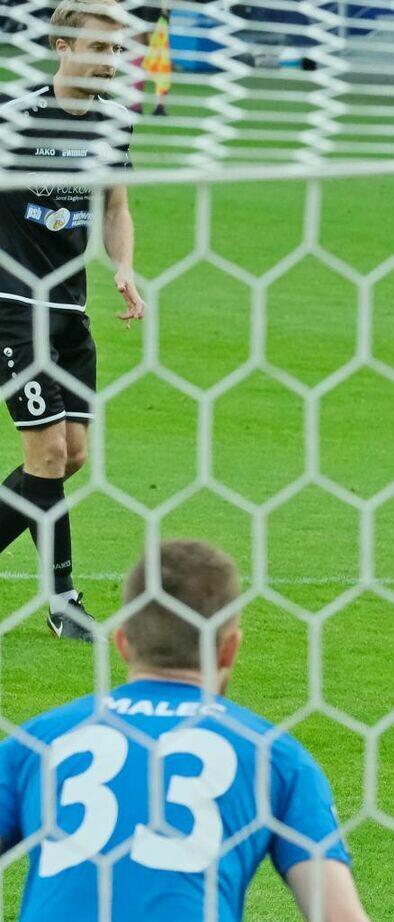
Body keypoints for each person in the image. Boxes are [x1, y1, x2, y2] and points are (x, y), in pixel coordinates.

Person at [0, 539, 371, 920]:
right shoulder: (274, 755)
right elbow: (339, 916)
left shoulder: (36, 742)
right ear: (229, 649)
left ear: (123, 642)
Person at [0, 0, 146, 640]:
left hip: (69, 310)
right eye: (99, 47)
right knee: (48, 452)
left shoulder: (114, 123)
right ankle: (63, 602)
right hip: (11, 307)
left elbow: (115, 208)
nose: (111, 61)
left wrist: (124, 267)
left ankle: (61, 602)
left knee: (71, 457)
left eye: (117, 50)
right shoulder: (16, 116)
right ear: (62, 46)